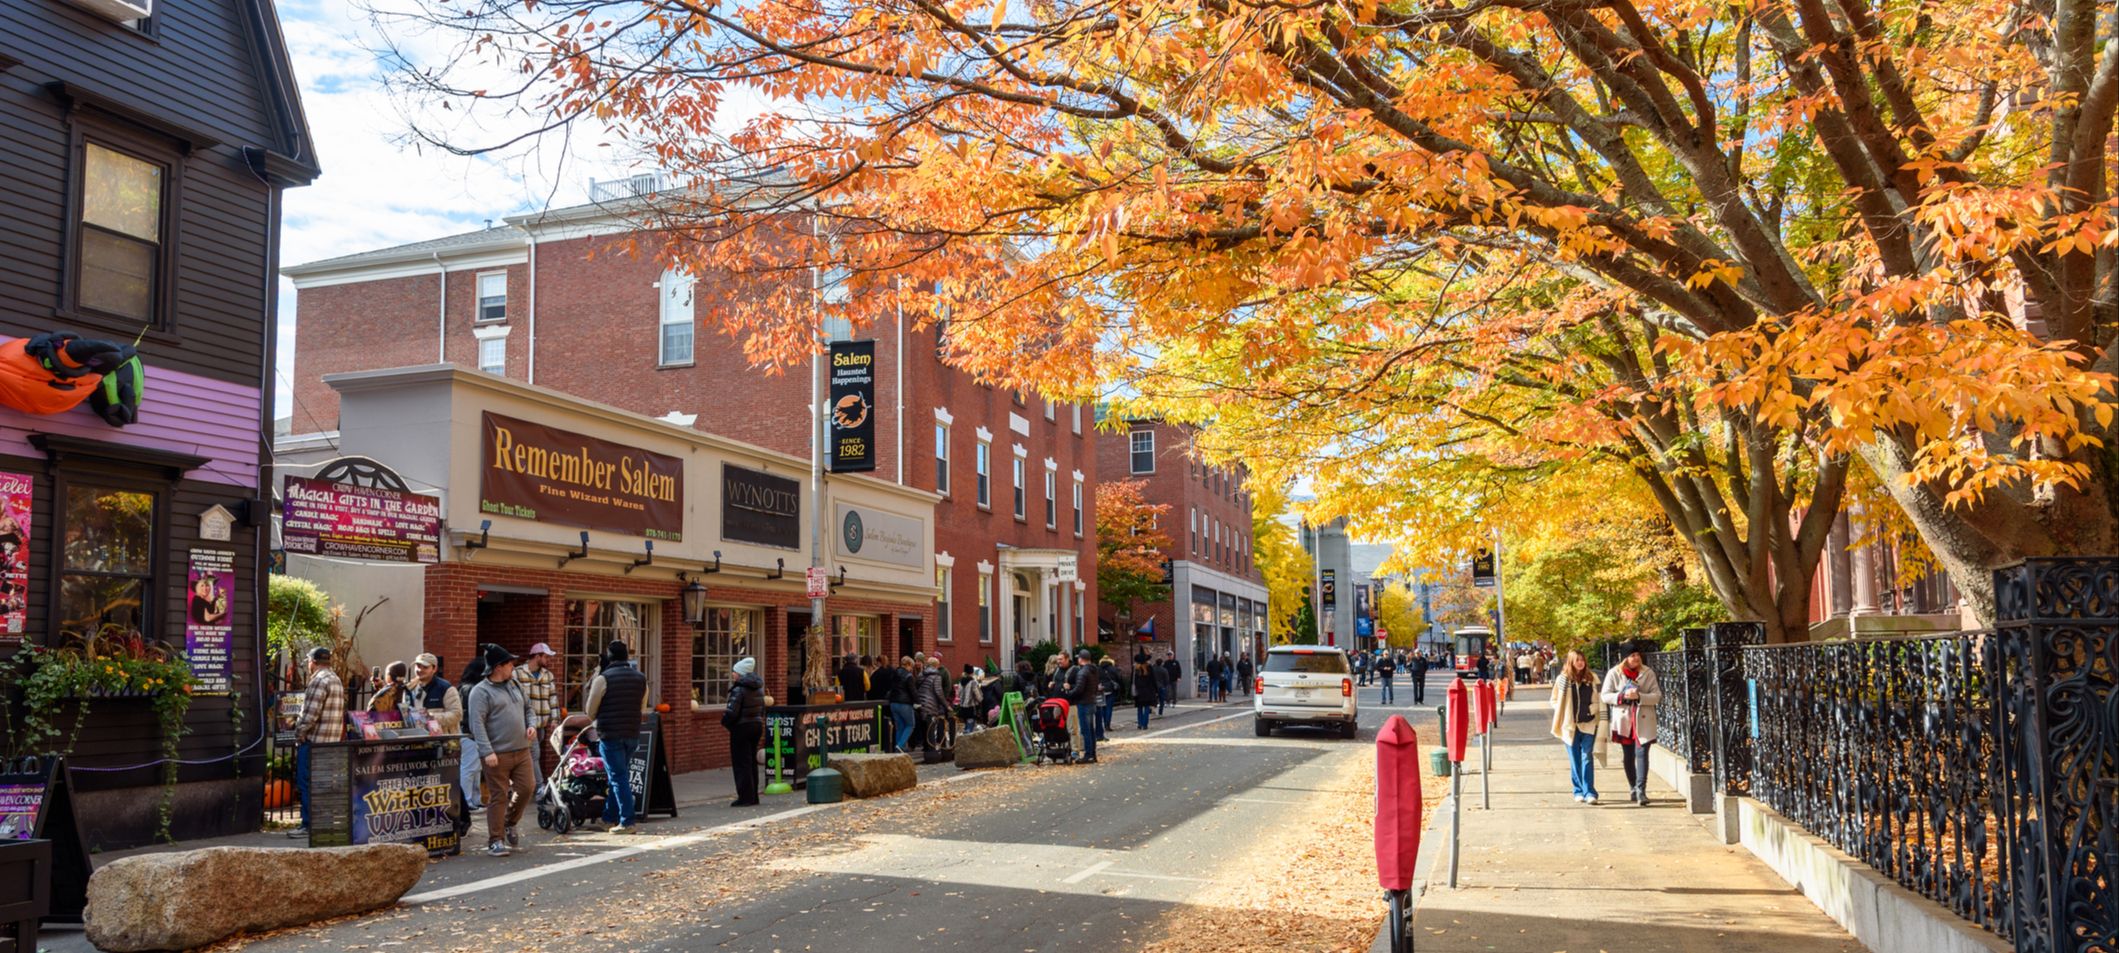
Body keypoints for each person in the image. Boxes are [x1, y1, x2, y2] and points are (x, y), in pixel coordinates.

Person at [467, 644, 537, 856]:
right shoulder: (480, 692)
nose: (513, 668)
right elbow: (477, 724)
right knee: (499, 796)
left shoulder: (514, 684)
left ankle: (510, 822)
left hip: (522, 750)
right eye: (510, 664)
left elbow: (528, 708)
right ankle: (495, 840)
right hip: (497, 753)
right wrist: (487, 751)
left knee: (527, 788)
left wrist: (531, 724)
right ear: (498, 667)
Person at [584, 640, 649, 833]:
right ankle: (608, 817)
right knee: (618, 777)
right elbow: (642, 706)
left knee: (618, 777)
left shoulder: (603, 679)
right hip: (632, 732)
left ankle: (627, 821)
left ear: (609, 657)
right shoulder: (640, 678)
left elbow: (590, 709)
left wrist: (599, 719)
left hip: (610, 733)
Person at [290, 646, 344, 838]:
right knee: (324, 785)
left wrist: (299, 733)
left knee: (306, 783)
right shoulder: (335, 679)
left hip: (314, 741)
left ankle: (308, 824)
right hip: (331, 741)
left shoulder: (318, 681)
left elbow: (310, 715)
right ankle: (324, 823)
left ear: (313, 662)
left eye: (308, 661)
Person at [1601, 643, 1662, 806]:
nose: (1636, 658)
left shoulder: (1648, 673)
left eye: (1637, 655)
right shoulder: (1614, 673)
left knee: (1642, 753)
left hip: (1643, 718)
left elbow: (1656, 696)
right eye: (1632, 655)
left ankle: (1641, 790)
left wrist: (1640, 696)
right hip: (1624, 719)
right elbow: (1605, 696)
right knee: (1628, 755)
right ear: (1625, 658)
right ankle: (1633, 788)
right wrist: (1621, 696)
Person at [1550, 649, 1605, 804]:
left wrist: (1593, 709)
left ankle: (1590, 792)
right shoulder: (1563, 679)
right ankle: (1578, 790)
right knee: (1575, 758)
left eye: (1582, 660)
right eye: (1577, 660)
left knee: (1587, 756)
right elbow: (1553, 699)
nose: (1580, 663)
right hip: (1570, 726)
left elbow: (1600, 699)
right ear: (1571, 662)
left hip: (1589, 723)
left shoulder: (1592, 678)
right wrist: (1561, 710)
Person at [724, 656, 766, 806]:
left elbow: (732, 712)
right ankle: (753, 796)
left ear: (740, 673)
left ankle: (745, 797)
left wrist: (726, 722)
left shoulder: (739, 689)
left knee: (741, 763)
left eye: (734, 672)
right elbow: (762, 709)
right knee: (751, 762)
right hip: (756, 725)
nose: (732, 674)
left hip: (741, 727)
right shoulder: (758, 689)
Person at [407, 652, 460, 732]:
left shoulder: (446, 688)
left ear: (434, 669)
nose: (420, 670)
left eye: (425, 667)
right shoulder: (410, 688)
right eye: (417, 666)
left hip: (444, 741)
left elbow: (457, 715)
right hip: (418, 740)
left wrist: (432, 716)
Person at [1066, 649, 1100, 762]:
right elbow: (1095, 687)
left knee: (1085, 730)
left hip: (1083, 703)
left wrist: (1069, 692)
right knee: (1091, 729)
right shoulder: (1094, 671)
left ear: (1080, 659)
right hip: (1092, 701)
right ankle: (1092, 754)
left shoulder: (1082, 672)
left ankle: (1088, 755)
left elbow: (1079, 689)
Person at [914, 656, 950, 754]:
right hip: (931, 705)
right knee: (931, 728)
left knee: (924, 727)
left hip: (921, 704)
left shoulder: (921, 674)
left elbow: (916, 687)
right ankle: (931, 750)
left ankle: (926, 747)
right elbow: (939, 692)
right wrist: (946, 705)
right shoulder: (936, 676)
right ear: (936, 665)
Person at [886, 656, 918, 753]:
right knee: (910, 725)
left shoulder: (894, 673)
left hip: (893, 703)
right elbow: (913, 691)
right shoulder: (909, 676)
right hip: (905, 704)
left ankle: (899, 749)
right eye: (911, 667)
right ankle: (900, 746)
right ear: (908, 665)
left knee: (900, 726)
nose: (911, 669)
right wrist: (918, 702)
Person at [1131, 659, 1159, 730]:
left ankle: (1140, 724)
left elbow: (1132, 680)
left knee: (1139, 708)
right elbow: (1153, 679)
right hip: (1148, 690)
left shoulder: (1136, 669)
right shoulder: (1149, 668)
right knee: (1146, 707)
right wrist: (1156, 690)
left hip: (1138, 691)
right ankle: (1145, 724)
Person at [1095, 657, 1119, 738]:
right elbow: (1118, 678)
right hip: (1110, 689)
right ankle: (1107, 724)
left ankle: (1101, 724)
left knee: (1102, 707)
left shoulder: (1098, 669)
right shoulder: (1113, 668)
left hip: (1101, 689)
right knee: (1109, 708)